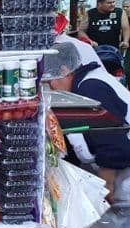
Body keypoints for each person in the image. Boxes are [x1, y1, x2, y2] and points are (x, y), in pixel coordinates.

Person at [44, 42, 130, 203]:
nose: (52, 89)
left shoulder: (91, 88)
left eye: (50, 82)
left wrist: (107, 186)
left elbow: (112, 142)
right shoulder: (81, 88)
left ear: (64, 70)